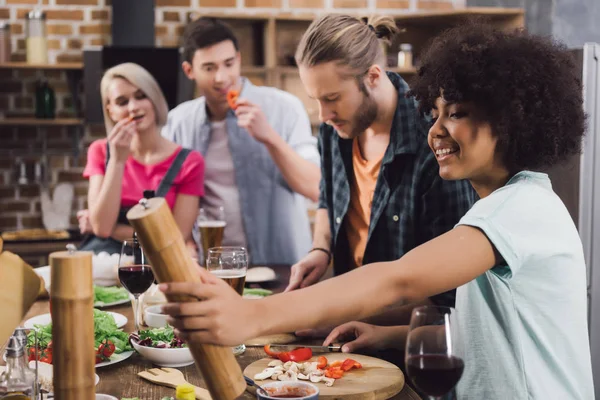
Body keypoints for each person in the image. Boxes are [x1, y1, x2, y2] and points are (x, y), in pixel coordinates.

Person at [159, 21, 594, 399]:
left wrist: (252, 316)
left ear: (511, 121)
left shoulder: (520, 210)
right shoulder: (497, 207)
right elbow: (487, 326)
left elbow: (399, 278)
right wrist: (390, 333)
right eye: (435, 113)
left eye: (456, 114)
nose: (436, 131)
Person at [283, 14, 475, 321]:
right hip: (347, 325)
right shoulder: (336, 131)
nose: (324, 114)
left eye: (332, 98)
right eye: (316, 100)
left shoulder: (435, 143)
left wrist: (352, 318)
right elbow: (326, 198)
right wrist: (320, 250)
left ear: (373, 76)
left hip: (412, 340)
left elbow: (452, 291)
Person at [162, 17, 321, 265]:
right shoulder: (178, 121)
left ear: (238, 59)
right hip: (211, 267)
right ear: (189, 71)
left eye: (228, 63)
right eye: (209, 67)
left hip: (280, 265)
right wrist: (186, 242)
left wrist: (269, 138)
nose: (221, 78)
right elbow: (170, 200)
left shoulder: (285, 108)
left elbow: (315, 187)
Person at [78, 63, 204, 254]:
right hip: (103, 262)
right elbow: (102, 228)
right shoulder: (101, 152)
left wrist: (116, 230)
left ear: (154, 98)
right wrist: (117, 161)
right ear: (110, 110)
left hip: (157, 266)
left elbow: (177, 239)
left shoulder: (189, 162)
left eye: (141, 96)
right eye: (122, 102)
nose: (133, 107)